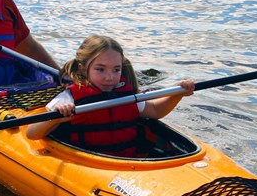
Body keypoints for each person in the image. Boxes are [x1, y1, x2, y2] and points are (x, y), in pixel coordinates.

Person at [26, 35, 195, 157]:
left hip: (126, 160)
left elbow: (155, 111)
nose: (110, 77)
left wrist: (177, 94)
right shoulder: (69, 98)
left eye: (116, 69)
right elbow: (32, 133)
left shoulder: (126, 95)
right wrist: (57, 117)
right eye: (100, 69)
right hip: (86, 161)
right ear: (84, 69)